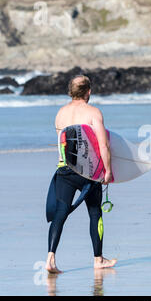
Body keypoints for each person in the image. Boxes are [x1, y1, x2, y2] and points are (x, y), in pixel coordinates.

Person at [45, 75, 116, 273]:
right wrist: (108, 171)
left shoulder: (60, 113)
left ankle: (50, 258)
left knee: (60, 213)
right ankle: (98, 259)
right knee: (95, 213)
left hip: (64, 169)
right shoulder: (93, 112)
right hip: (89, 172)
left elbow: (64, 142)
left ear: (70, 91)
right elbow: (103, 144)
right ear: (89, 92)